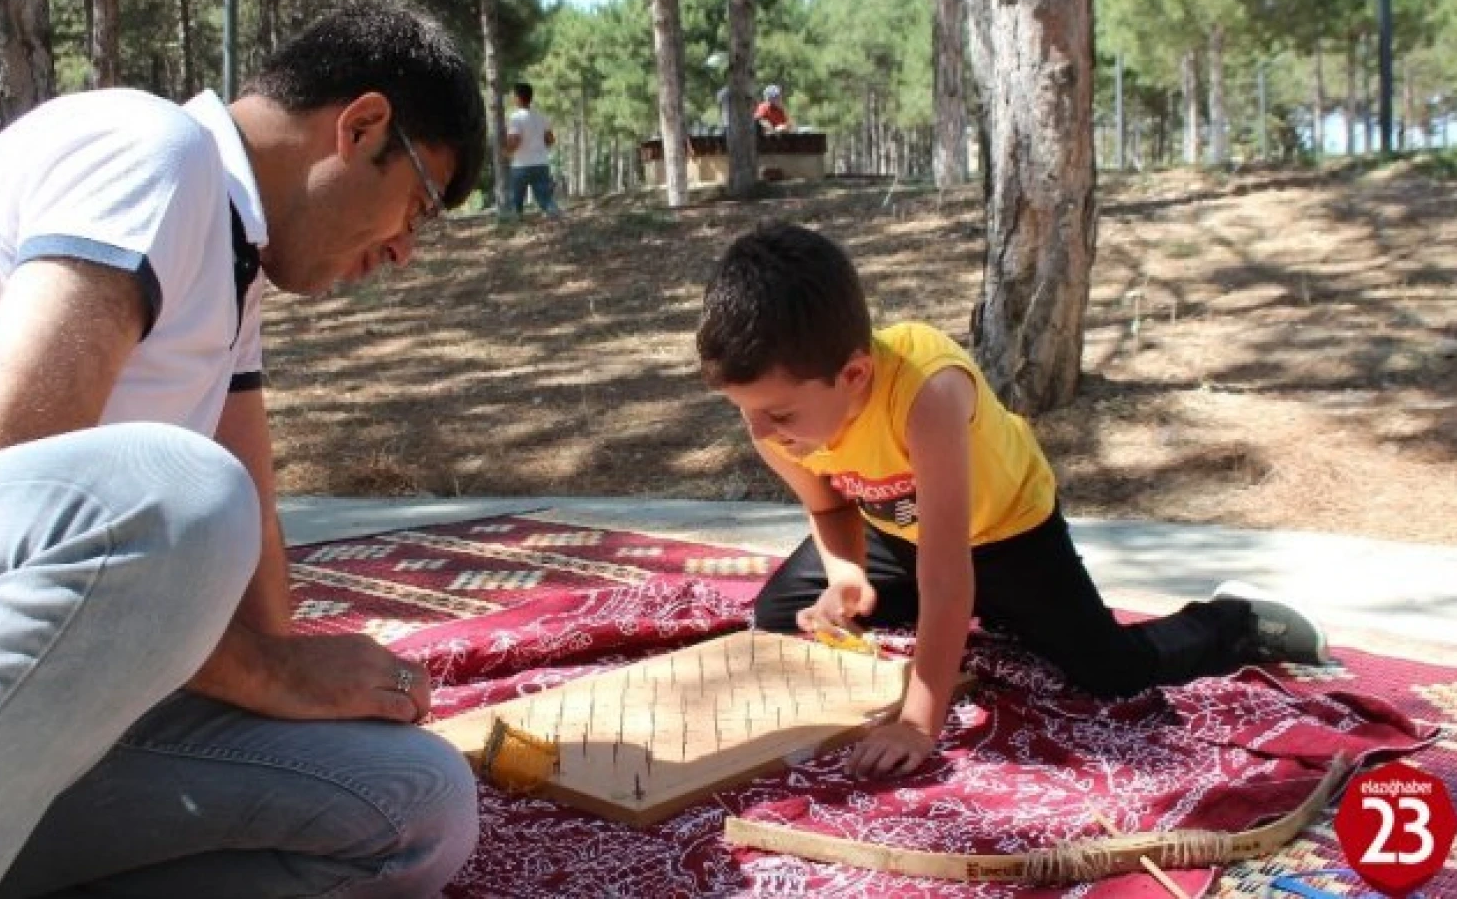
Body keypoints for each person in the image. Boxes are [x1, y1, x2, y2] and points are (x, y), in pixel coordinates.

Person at [0, 1, 486, 898]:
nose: (404, 253)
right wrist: (274, 674)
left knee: (412, 805)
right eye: (419, 207)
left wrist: (299, 678)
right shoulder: (151, 152)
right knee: (181, 498)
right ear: (362, 126)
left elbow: (255, 547)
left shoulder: (235, 264)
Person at [695, 222, 1329, 781]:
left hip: (1007, 534)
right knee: (783, 619)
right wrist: (847, 575)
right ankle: (996, 619)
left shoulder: (928, 393)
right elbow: (833, 508)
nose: (761, 430)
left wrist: (918, 722)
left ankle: (1234, 620)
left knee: (1110, 670)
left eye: (778, 413)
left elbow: (946, 577)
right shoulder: (768, 418)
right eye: (746, 411)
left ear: (855, 374)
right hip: (893, 531)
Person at [505, 82, 560, 218]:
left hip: (521, 165)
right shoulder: (541, 117)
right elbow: (551, 140)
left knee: (516, 201)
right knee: (545, 199)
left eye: (513, 96)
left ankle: (515, 222)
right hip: (541, 164)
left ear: (518, 98)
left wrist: (506, 152)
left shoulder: (516, 117)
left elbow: (515, 140)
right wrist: (539, 148)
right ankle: (556, 216)